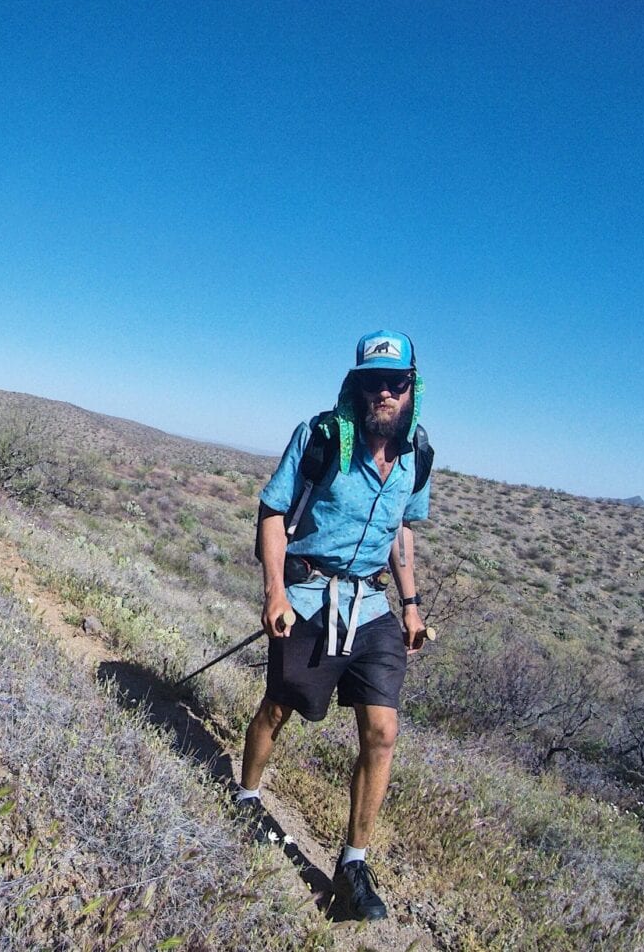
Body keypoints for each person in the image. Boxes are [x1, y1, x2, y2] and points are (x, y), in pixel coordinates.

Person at [235, 329, 430, 922]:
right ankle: (246, 795)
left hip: (371, 607)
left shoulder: (417, 453)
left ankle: (353, 863)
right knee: (280, 706)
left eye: (395, 383)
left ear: (411, 387)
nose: (383, 393)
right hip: (311, 594)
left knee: (384, 730)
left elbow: (402, 530)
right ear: (356, 384)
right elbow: (272, 511)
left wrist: (411, 603)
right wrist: (275, 592)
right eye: (373, 382)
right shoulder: (320, 436)